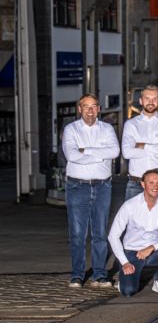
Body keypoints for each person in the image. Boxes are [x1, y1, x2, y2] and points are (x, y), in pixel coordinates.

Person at [61, 93, 120, 288]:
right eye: (86, 106)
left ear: (99, 109)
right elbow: (71, 155)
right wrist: (99, 154)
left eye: (93, 106)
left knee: (100, 233)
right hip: (78, 186)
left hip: (102, 185)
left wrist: (85, 150)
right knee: (78, 233)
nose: (90, 110)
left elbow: (114, 152)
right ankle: (77, 275)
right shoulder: (71, 129)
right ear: (80, 109)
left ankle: (100, 274)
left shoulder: (107, 128)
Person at [107, 170, 158, 296]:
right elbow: (113, 236)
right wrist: (124, 262)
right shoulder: (130, 205)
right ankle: (125, 277)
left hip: (155, 252)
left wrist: (152, 247)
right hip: (133, 253)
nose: (155, 186)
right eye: (151, 182)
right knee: (128, 291)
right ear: (143, 184)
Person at [122, 85, 158, 199]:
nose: (150, 102)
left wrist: (141, 146)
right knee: (134, 217)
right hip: (136, 184)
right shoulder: (131, 125)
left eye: (154, 99)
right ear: (141, 101)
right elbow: (127, 152)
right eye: (147, 98)